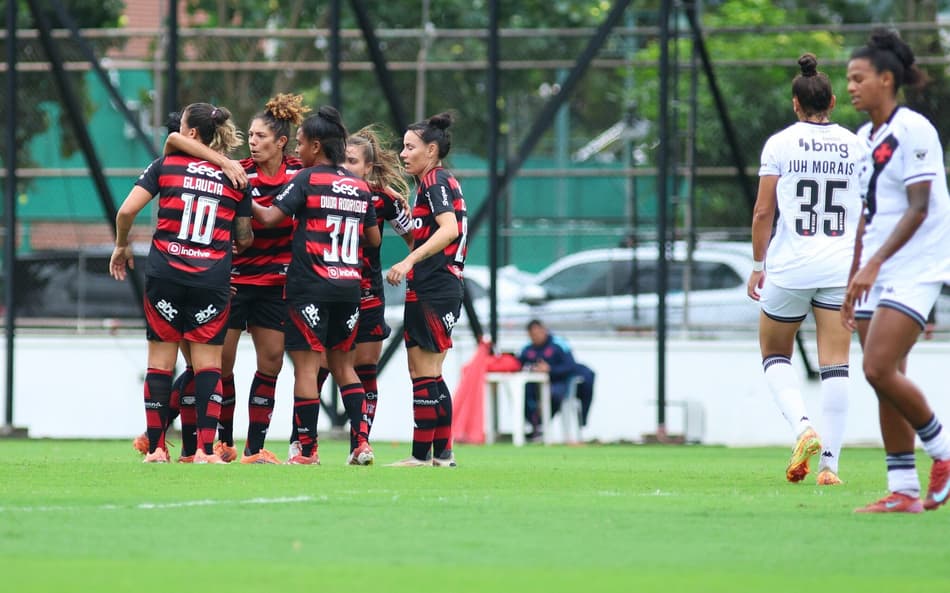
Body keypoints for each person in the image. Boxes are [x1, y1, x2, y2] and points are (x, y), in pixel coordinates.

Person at [162, 93, 310, 464]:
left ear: (281, 142)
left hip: (276, 284)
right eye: (252, 136)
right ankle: (215, 442)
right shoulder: (237, 170)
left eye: (261, 137)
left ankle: (254, 448)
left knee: (271, 363)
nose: (254, 142)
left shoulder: (298, 175)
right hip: (233, 281)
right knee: (217, 365)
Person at [843, 29, 950, 513]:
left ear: (887, 79)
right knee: (885, 378)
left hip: (917, 264)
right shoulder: (866, 138)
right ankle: (904, 489)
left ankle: (944, 453)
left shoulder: (914, 128)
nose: (850, 86)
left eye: (858, 77)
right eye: (848, 79)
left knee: (878, 366)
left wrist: (876, 264)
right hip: (875, 268)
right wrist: (854, 274)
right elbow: (867, 214)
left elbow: (919, 207)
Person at [747, 53, 866, 485]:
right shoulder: (857, 146)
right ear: (833, 102)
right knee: (837, 363)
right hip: (840, 267)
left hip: (790, 266)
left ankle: (802, 427)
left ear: (795, 105)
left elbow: (763, 213)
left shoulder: (780, 144)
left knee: (775, 352)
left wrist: (758, 265)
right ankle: (830, 466)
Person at [111, 102, 253, 464]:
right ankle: (207, 450)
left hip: (166, 274)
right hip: (211, 278)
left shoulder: (166, 166)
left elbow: (126, 211)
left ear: (191, 134)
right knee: (208, 365)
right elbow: (245, 237)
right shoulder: (236, 178)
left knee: (160, 362)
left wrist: (121, 245)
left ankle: (156, 449)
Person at [253, 106, 380, 466]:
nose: (297, 151)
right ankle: (361, 444)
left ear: (317, 145)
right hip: (349, 287)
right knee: (344, 367)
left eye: (301, 143)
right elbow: (372, 238)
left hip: (310, 286)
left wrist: (240, 192)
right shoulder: (359, 187)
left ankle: (307, 450)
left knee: (307, 369)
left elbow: (268, 217)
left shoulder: (306, 179)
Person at [385, 112, 468, 468]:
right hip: (438, 286)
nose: (403, 154)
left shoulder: (434, 181)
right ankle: (442, 455)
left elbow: (449, 229)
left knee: (424, 371)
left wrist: (407, 262)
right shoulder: (438, 182)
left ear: (431, 150)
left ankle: (422, 456)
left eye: (409, 147)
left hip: (436, 287)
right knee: (428, 372)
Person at [344, 126, 414, 452]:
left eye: (353, 161)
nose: (345, 167)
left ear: (368, 168)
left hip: (368, 292)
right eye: (341, 160)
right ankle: (302, 445)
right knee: (319, 368)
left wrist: (412, 263)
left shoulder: (382, 199)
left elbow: (413, 236)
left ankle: (361, 442)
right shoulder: (320, 188)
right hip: (329, 290)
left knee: (364, 368)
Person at [518, 319, 595, 440]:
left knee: (554, 395)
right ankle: (535, 426)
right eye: (532, 334)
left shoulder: (558, 344)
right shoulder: (526, 349)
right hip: (536, 384)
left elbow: (570, 365)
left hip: (561, 382)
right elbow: (519, 365)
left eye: (538, 333)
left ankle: (544, 425)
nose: (536, 337)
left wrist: (550, 369)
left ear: (544, 330)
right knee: (522, 394)